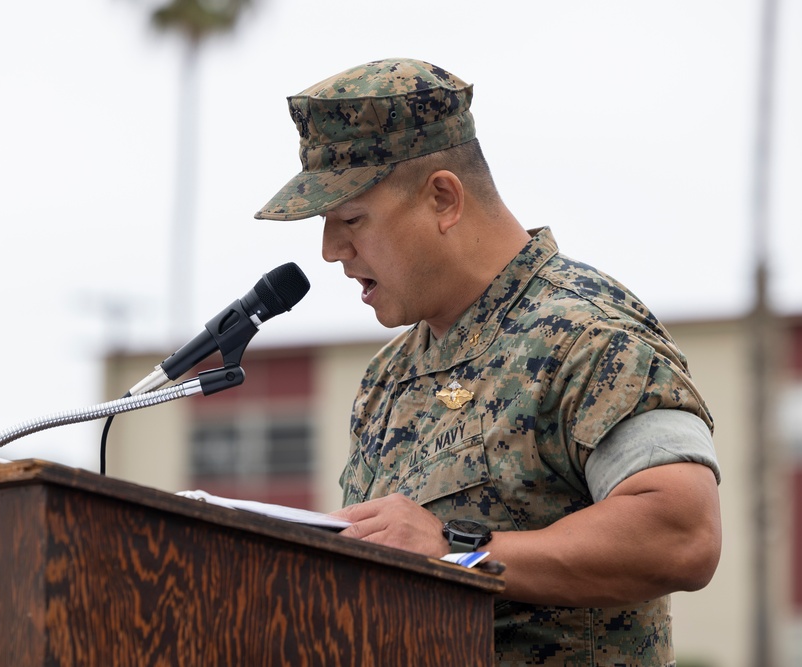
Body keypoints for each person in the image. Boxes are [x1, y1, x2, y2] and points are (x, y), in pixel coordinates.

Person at [255, 58, 722, 666]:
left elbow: (682, 533)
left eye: (350, 219)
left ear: (443, 199)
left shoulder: (585, 332)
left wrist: (458, 551)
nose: (329, 251)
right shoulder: (387, 378)